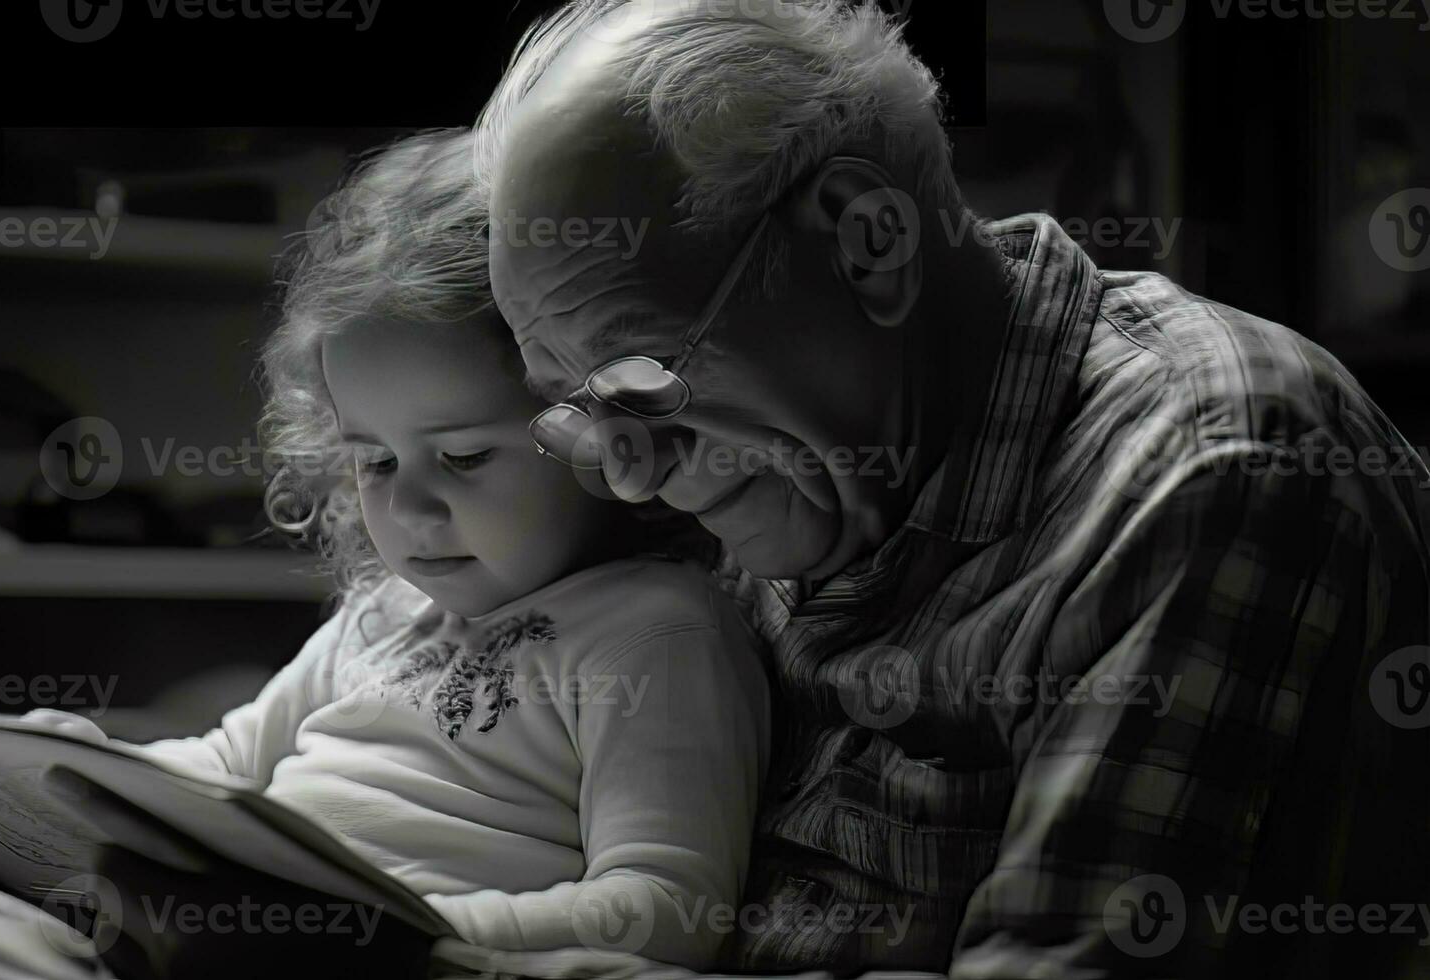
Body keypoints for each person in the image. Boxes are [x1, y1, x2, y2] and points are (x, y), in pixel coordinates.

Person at [476, 2, 1430, 977]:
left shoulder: (1207, 473)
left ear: (868, 241)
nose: (634, 474)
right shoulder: (791, 472)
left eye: (640, 378)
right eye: (585, 414)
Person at [56, 128, 770, 978]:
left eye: (464, 457)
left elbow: (669, 908)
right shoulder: (382, 616)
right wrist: (66, 761)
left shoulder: (654, 632)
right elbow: (223, 766)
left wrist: (394, 928)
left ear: (603, 434)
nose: (406, 505)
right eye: (374, 461)